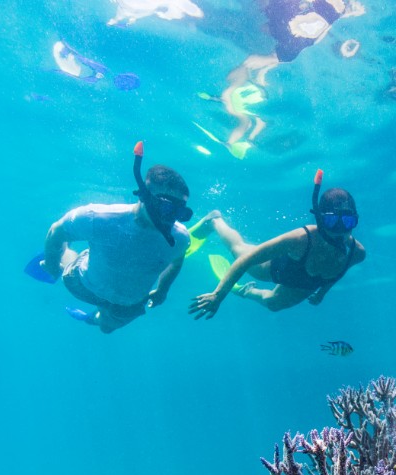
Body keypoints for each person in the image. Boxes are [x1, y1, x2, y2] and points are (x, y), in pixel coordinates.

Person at [38, 141, 193, 333]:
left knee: (106, 328)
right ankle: (65, 253)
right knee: (67, 263)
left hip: (128, 303)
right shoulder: (98, 218)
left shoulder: (180, 238)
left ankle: (90, 318)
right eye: (166, 208)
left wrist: (163, 289)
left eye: (180, 213)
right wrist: (53, 263)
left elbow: (177, 261)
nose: (171, 219)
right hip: (83, 284)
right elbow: (56, 231)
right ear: (144, 195)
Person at [188, 171, 365, 318]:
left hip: (307, 283)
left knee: (273, 305)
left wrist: (322, 293)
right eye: (332, 220)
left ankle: (245, 291)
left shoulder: (356, 253)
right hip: (271, 270)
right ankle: (215, 221)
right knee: (238, 250)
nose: (340, 229)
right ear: (319, 218)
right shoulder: (301, 238)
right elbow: (246, 261)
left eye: (348, 221)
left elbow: (339, 271)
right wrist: (218, 295)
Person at [208, 0, 365, 157]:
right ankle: (245, 123)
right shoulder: (330, 11)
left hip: (287, 34)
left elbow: (306, 33)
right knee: (257, 57)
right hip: (288, 35)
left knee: (254, 58)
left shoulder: (323, 12)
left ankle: (239, 113)